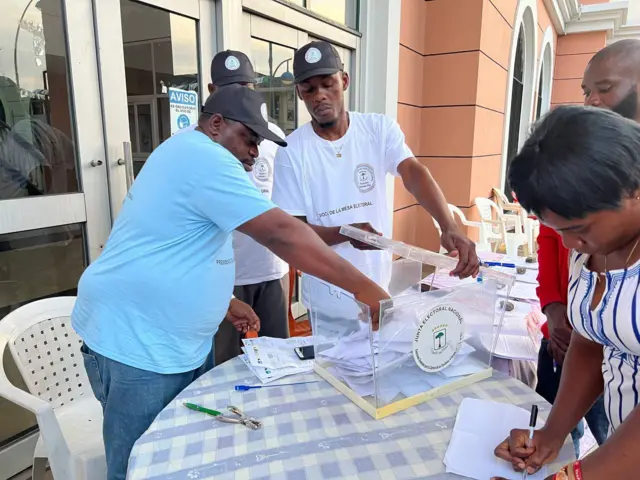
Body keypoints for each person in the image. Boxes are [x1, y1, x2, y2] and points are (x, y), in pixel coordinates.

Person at [72, 84, 389, 480]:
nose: (254, 153)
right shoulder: (201, 155)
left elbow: (180, 243)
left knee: (179, 453)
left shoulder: (190, 155)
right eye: (250, 139)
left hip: (174, 339)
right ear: (216, 125)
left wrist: (222, 302)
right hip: (137, 341)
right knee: (141, 463)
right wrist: (365, 288)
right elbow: (281, 233)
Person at [492, 106, 640, 479]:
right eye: (557, 230)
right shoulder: (589, 251)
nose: (570, 244)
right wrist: (550, 436)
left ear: (634, 190)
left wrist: (572, 476)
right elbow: (589, 343)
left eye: (579, 228)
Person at [272, 40, 479, 307]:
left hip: (378, 286)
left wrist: (448, 225)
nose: (319, 95)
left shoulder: (378, 129)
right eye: (309, 89)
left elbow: (413, 172)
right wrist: (345, 233)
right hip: (327, 298)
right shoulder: (291, 150)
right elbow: (295, 231)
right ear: (300, 94)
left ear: (344, 81)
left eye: (328, 84)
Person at [529, 38, 640, 456]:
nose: (592, 102)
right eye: (585, 92)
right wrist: (551, 435)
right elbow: (592, 340)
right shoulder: (587, 239)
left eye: (605, 88)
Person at [179, 50, 290, 365]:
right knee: (224, 363)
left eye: (245, 87)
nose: (239, 96)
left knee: (276, 358)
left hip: (269, 269)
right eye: (229, 90)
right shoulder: (191, 144)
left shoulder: (274, 138)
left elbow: (284, 208)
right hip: (221, 278)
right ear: (212, 92)